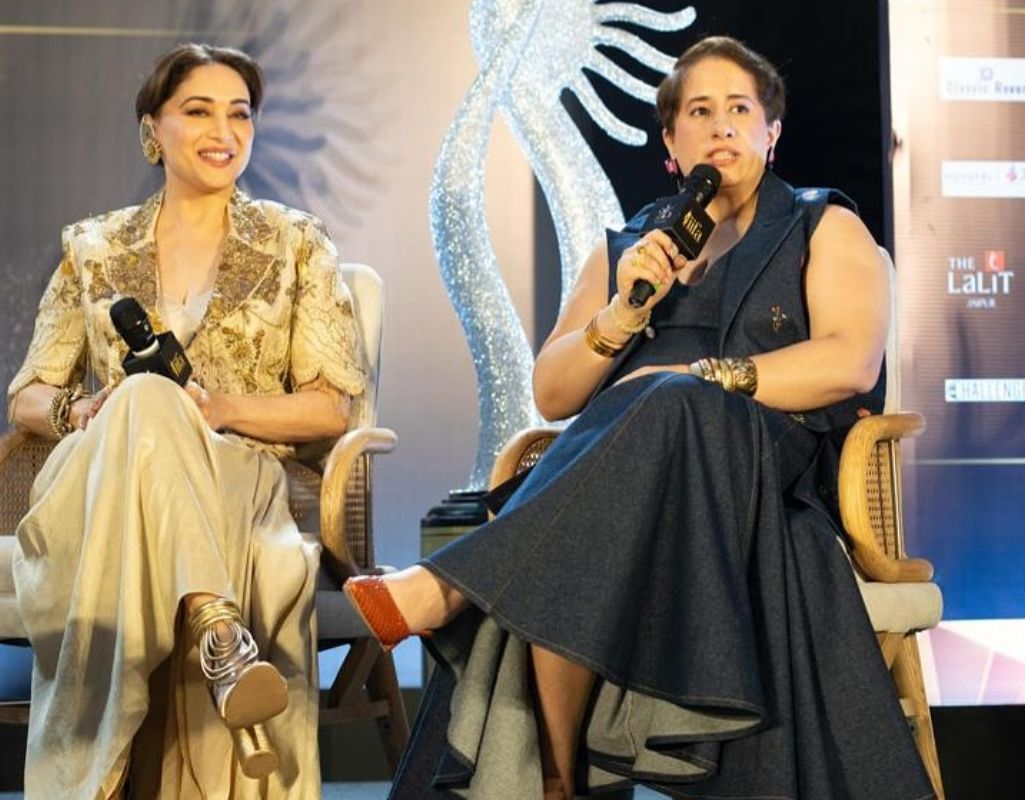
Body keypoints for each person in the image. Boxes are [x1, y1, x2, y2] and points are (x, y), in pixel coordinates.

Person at [345, 36, 935, 799]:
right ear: (670, 143)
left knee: (665, 407)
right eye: (700, 112)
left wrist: (700, 379)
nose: (721, 126)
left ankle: (454, 588)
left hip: (761, 482)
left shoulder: (822, 225)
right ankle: (556, 778)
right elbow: (553, 393)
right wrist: (624, 311)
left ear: (771, 133)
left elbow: (850, 362)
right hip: (631, 496)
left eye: (740, 110)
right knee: (596, 506)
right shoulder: (628, 249)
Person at [7, 43, 366, 799]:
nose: (223, 131)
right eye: (198, 111)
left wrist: (219, 408)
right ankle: (220, 634)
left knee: (153, 399)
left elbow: (331, 406)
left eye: (240, 114)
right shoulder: (92, 247)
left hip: (234, 473)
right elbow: (28, 397)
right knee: (141, 398)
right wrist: (80, 409)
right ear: (153, 130)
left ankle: (206, 633)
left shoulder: (296, 242)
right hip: (101, 477)